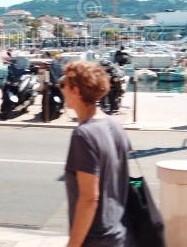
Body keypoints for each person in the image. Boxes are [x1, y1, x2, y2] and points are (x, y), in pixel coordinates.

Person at [61, 61, 132, 247]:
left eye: (63, 85)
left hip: (96, 239)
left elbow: (89, 198)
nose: (61, 89)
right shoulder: (115, 125)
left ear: (76, 91)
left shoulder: (83, 135)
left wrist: (73, 245)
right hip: (119, 232)